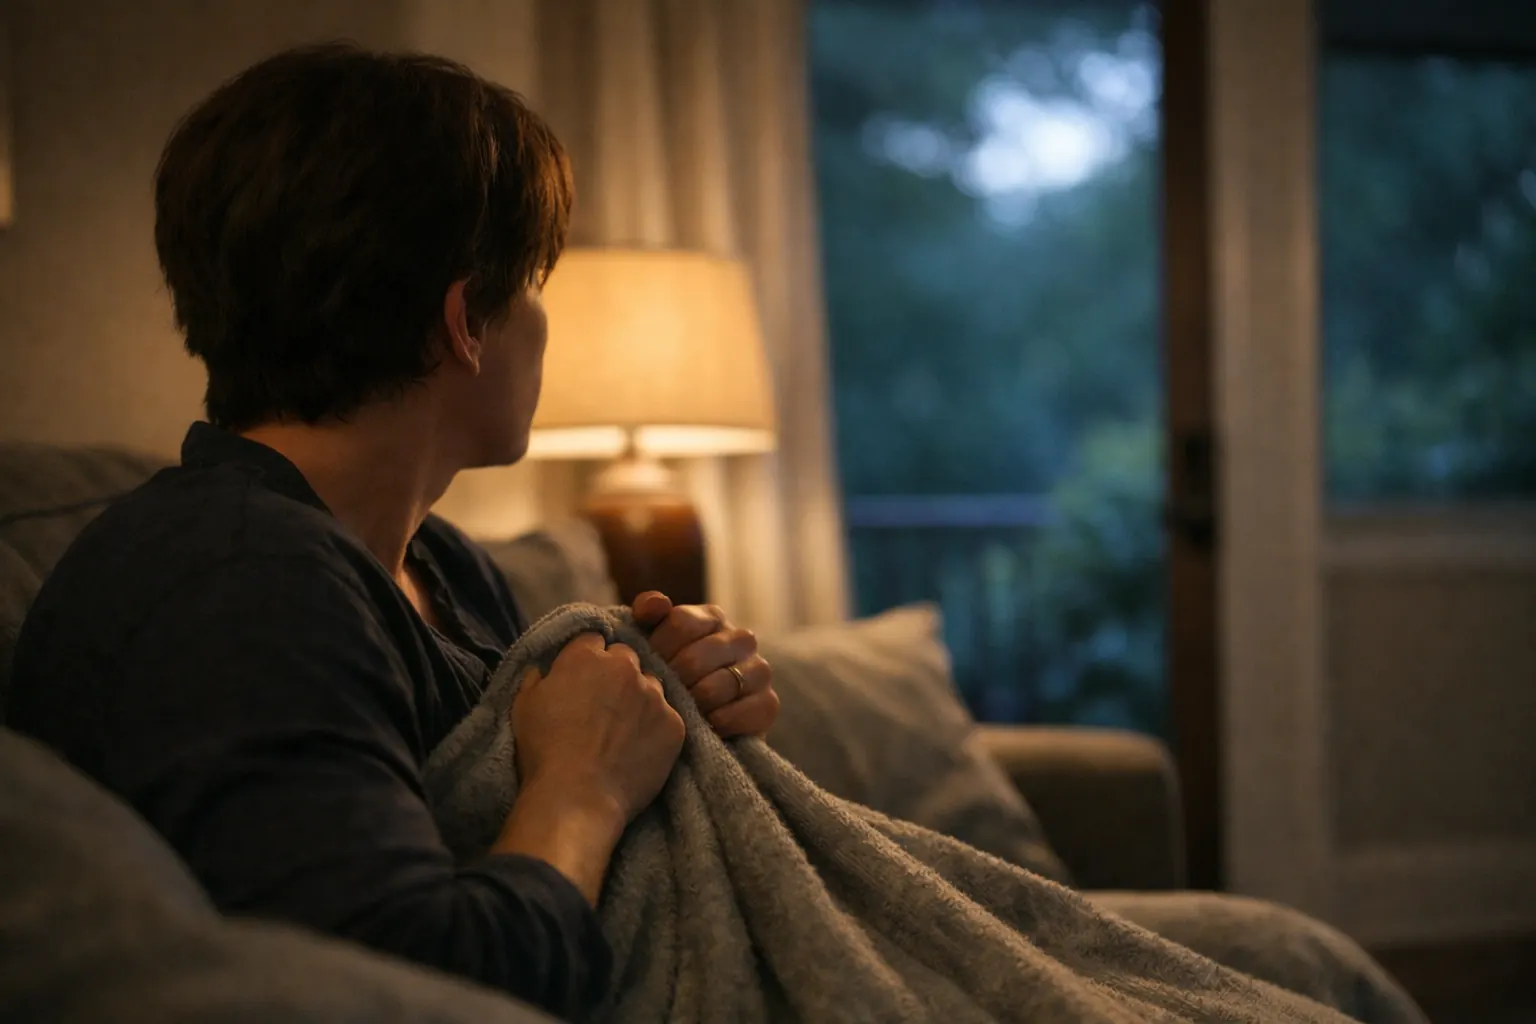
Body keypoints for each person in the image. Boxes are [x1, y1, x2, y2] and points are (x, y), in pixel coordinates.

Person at [7, 43, 778, 1022]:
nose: (544, 325)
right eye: (535, 284)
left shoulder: (436, 562)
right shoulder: (237, 587)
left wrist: (678, 720)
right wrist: (581, 786)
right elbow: (417, 984)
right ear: (465, 321)